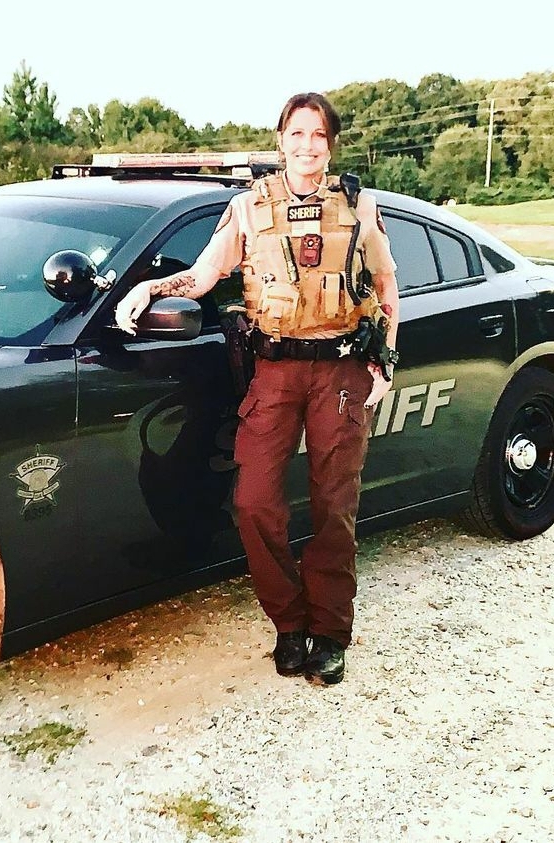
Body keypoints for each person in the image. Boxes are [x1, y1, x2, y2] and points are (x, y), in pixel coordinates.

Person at [115, 92, 400, 685]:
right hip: (275, 370)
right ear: (281, 141)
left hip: (341, 370)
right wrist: (149, 290)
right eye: (297, 133)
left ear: (331, 144)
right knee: (253, 501)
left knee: (334, 506)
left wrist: (385, 363)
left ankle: (330, 632)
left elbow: (385, 285)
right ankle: (289, 623)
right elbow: (204, 275)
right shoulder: (248, 209)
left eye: (318, 135)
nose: (307, 146)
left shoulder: (358, 205)